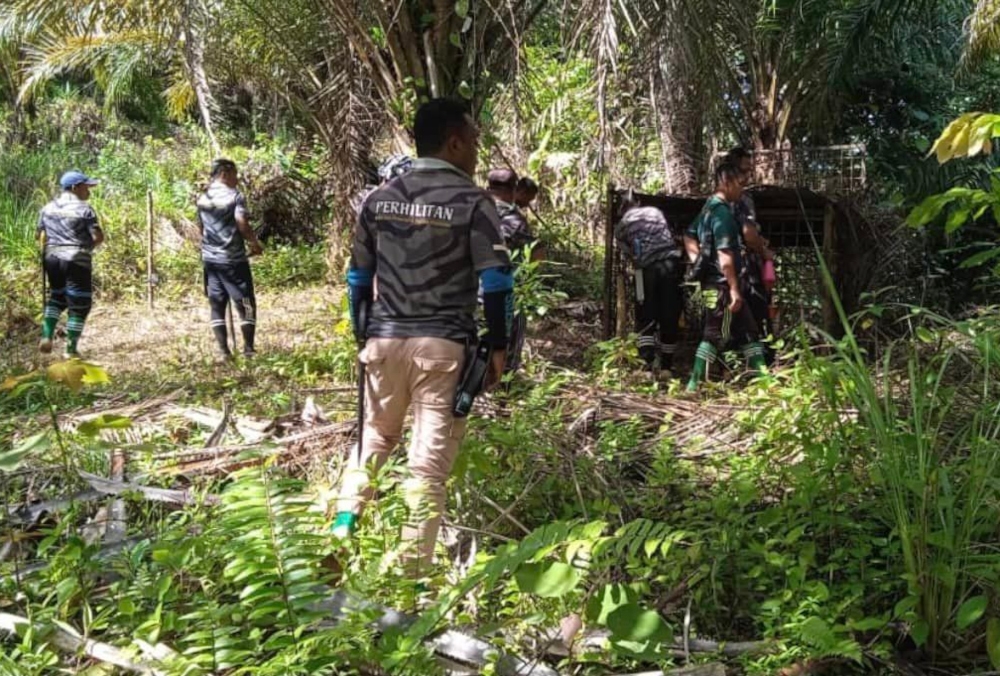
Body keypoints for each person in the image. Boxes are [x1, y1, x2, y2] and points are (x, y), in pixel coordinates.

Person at [332, 98, 513, 579]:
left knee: (371, 445)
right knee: (427, 473)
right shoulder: (474, 203)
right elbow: (495, 282)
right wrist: (499, 347)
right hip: (442, 350)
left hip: (382, 344)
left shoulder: (377, 200)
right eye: (473, 140)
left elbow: (356, 279)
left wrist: (362, 335)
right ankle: (411, 582)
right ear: (453, 142)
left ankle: (337, 538)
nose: (476, 150)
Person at [683, 162, 768, 391]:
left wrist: (697, 260)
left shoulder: (707, 209)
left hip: (717, 283)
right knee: (714, 334)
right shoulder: (722, 214)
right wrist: (733, 289)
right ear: (727, 183)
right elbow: (725, 255)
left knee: (749, 331)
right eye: (740, 185)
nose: (742, 191)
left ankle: (765, 382)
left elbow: (689, 236)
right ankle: (694, 385)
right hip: (722, 287)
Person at [196, 159, 263, 360]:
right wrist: (254, 243)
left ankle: (223, 351)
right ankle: (249, 349)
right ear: (224, 174)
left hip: (211, 261)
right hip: (233, 260)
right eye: (235, 174)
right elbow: (241, 222)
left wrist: (208, 248)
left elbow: (200, 228)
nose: (237, 178)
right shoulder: (235, 197)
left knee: (217, 305)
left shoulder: (202, 199)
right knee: (246, 303)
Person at [37, 170, 104, 358]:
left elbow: (40, 235)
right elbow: (98, 236)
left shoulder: (47, 208)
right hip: (76, 258)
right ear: (75, 188)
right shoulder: (84, 210)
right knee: (80, 303)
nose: (89, 190)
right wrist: (86, 248)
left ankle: (46, 335)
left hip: (51, 257)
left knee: (57, 296)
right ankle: (70, 349)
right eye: (86, 186)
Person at [614, 196, 683, 375]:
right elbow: (667, 233)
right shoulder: (655, 211)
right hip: (670, 265)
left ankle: (646, 365)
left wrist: (637, 256)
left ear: (622, 211)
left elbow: (625, 249)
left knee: (644, 314)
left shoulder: (621, 226)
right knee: (670, 313)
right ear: (636, 204)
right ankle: (666, 366)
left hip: (642, 272)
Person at [487, 168, 541, 375]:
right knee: (511, 330)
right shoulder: (513, 220)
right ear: (513, 190)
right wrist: (529, 279)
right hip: (503, 286)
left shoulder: (468, 208)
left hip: (465, 288)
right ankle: (504, 380)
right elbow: (535, 253)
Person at [726, 147, 775, 347]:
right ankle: (757, 361)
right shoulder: (741, 198)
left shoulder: (716, 201)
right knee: (754, 311)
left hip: (725, 266)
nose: (748, 176)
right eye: (744, 170)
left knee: (728, 317)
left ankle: (729, 363)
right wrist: (764, 251)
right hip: (744, 265)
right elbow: (748, 233)